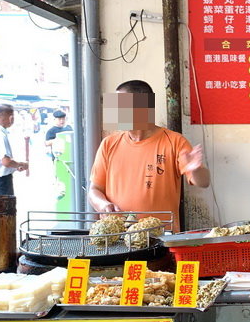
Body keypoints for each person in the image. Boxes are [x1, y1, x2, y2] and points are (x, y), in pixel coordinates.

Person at [88, 80, 210, 230]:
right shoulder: (109, 144)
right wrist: (103, 204)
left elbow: (204, 182)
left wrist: (195, 169)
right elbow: (94, 189)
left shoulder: (174, 141)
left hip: (161, 238)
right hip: (117, 237)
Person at [0, 104, 28, 196]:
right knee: (3, 209)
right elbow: (6, 162)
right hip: (0, 182)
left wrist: (15, 166)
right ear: (11, 118)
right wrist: (21, 164)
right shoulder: (0, 135)